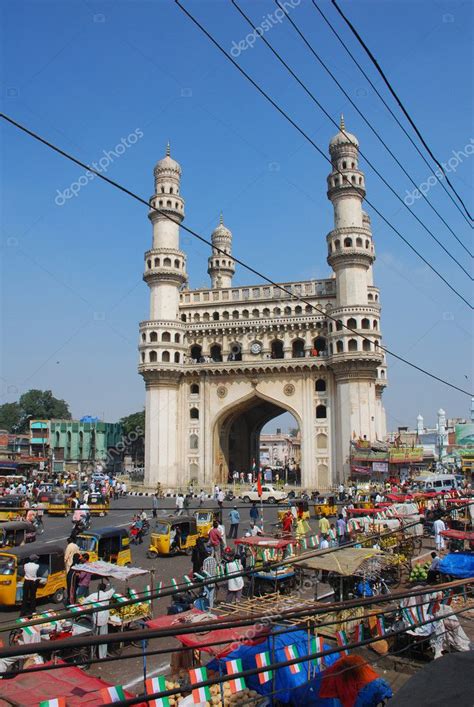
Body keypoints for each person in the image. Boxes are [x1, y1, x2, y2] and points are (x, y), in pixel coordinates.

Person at [84, 581, 116, 659]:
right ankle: (102, 656)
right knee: (103, 638)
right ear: (105, 589)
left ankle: (92, 654)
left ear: (98, 588)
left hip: (96, 619)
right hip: (104, 620)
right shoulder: (107, 594)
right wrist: (109, 581)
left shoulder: (93, 595)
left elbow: (85, 601)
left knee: (94, 638)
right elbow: (114, 588)